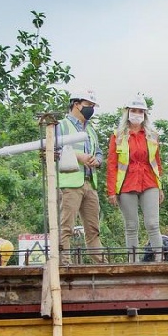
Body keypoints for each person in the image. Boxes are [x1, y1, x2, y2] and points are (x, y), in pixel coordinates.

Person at [106, 96, 167, 262]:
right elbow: (112, 164)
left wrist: (160, 187)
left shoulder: (152, 135)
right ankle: (133, 263)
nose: (137, 114)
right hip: (126, 184)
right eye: (134, 110)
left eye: (140, 111)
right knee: (131, 226)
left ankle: (159, 260)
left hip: (149, 182)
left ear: (145, 114)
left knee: (153, 224)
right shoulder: (117, 136)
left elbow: (157, 163)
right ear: (127, 112)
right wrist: (111, 191)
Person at [57, 90, 105, 264]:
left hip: (89, 182)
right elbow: (54, 149)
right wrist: (80, 157)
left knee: (93, 227)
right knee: (66, 226)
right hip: (69, 183)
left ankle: (100, 264)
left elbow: (99, 152)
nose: (91, 109)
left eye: (92, 106)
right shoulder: (60, 126)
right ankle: (64, 263)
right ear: (76, 104)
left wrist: (96, 160)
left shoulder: (91, 130)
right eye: (88, 105)